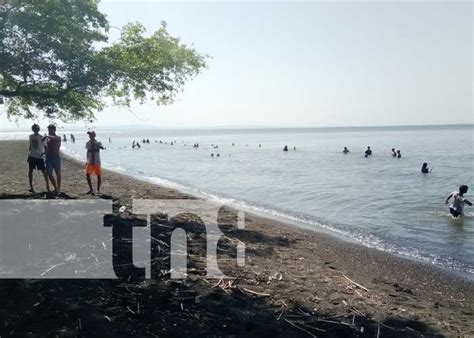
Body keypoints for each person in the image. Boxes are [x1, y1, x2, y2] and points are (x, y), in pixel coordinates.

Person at [27, 124, 50, 193]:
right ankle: (31, 187)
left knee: (44, 171)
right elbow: (30, 146)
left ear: (38, 129)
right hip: (32, 156)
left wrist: (45, 153)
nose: (35, 130)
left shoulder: (41, 137)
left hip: (39, 156)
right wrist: (28, 155)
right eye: (34, 129)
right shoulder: (31, 136)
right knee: (30, 171)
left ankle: (48, 187)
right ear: (32, 129)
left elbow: (46, 146)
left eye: (36, 129)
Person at [85, 131, 105, 195]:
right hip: (90, 161)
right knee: (87, 174)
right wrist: (86, 160)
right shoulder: (88, 143)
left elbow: (102, 147)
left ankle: (98, 189)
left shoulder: (98, 142)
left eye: (91, 135)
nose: (90, 136)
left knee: (98, 175)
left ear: (94, 135)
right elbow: (87, 151)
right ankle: (91, 189)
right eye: (89, 135)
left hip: (97, 161)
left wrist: (99, 146)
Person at [44, 124, 62, 193]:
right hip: (49, 158)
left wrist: (47, 136)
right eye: (48, 130)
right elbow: (46, 147)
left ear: (54, 130)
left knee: (58, 173)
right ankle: (56, 187)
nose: (49, 131)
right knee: (49, 173)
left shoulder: (58, 137)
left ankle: (59, 188)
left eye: (50, 130)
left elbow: (55, 139)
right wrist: (45, 141)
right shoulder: (47, 139)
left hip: (56, 157)